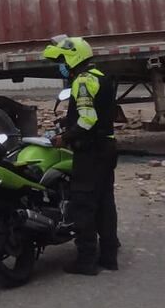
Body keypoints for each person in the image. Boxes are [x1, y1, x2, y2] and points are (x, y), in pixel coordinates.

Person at [43, 35, 119, 275]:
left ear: (73, 57)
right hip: (107, 147)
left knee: (83, 204)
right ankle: (109, 256)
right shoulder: (101, 77)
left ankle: (86, 260)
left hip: (91, 151)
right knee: (105, 203)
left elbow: (87, 118)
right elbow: (98, 112)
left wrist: (63, 137)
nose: (60, 66)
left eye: (62, 60)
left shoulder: (82, 81)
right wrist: (68, 121)